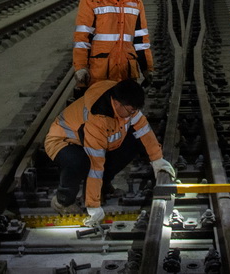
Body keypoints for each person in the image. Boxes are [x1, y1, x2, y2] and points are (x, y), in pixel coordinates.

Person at [44, 78, 176, 228]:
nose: (133, 114)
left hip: (96, 141)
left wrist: (157, 159)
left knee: (134, 143)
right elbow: (96, 164)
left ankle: (103, 187)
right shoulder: (97, 118)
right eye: (130, 111)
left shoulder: (123, 102)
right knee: (79, 161)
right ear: (117, 103)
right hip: (63, 140)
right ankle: (63, 201)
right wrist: (93, 205)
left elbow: (143, 129)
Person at [72, 0, 154, 88]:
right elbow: (82, 38)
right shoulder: (92, 0)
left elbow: (141, 40)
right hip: (100, 74)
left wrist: (147, 68)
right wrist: (81, 67)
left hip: (126, 73)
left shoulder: (135, 2)